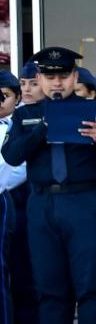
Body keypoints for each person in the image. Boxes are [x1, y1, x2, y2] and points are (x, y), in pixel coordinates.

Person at [2, 46, 96, 322]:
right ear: (40, 78)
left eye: (63, 76)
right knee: (49, 289)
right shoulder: (26, 115)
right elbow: (12, 155)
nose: (57, 83)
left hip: (84, 201)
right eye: (50, 77)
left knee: (90, 286)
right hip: (42, 204)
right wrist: (40, 130)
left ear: (74, 77)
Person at [7, 63, 38, 323]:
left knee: (28, 268)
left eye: (33, 83)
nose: (27, 89)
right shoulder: (18, 118)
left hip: (29, 198)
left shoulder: (29, 118)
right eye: (23, 84)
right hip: (10, 200)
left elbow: (21, 166)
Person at [0, 71, 24, 322]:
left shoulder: (23, 122)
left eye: (4, 96)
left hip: (13, 198)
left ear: (17, 98)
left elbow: (18, 168)